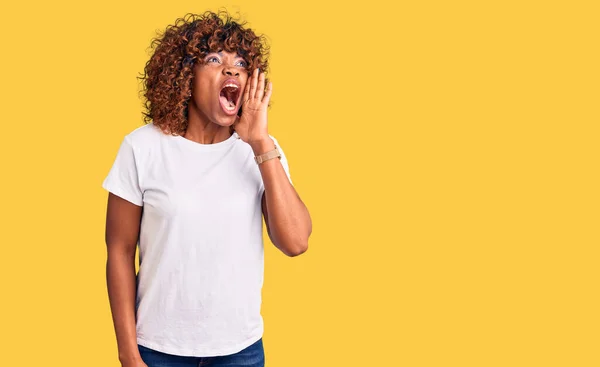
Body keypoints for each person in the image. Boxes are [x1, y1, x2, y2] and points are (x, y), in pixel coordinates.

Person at [102, 10, 312, 367]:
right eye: (214, 59)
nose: (231, 70)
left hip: (240, 351)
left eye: (241, 63)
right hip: (157, 350)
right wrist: (128, 354)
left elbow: (295, 242)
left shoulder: (263, 152)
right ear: (185, 75)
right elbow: (119, 252)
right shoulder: (143, 147)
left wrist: (260, 143)